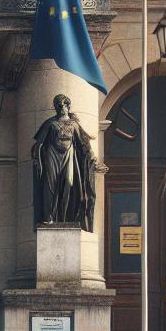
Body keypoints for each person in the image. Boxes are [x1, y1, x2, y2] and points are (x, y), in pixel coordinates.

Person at [31, 93, 105, 232]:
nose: (60, 108)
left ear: (68, 106)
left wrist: (93, 159)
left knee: (69, 183)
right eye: (58, 106)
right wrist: (38, 161)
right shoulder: (50, 123)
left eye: (63, 105)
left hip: (68, 156)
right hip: (52, 155)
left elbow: (84, 144)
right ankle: (49, 217)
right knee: (50, 185)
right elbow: (39, 144)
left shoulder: (74, 125)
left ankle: (65, 218)